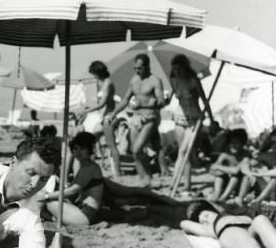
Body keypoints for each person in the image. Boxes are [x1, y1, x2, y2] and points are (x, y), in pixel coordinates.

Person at [42, 132, 178, 227]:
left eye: (82, 149)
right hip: (87, 211)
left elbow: (73, 190)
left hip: (85, 215)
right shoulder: (85, 167)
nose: (78, 153)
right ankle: (161, 201)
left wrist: (48, 195)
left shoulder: (89, 167)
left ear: (90, 150)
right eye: (76, 149)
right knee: (131, 197)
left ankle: (164, 200)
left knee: (44, 201)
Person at [108, 54, 165, 187]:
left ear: (147, 66)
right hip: (136, 118)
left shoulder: (155, 80)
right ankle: (145, 179)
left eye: (139, 68)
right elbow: (125, 100)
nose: (137, 71)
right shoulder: (134, 80)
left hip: (150, 118)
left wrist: (149, 104)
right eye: (135, 68)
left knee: (137, 148)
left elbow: (161, 102)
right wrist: (114, 113)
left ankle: (150, 176)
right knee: (136, 152)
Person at [180, 200, 276, 248]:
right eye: (201, 221)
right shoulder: (210, 228)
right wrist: (195, 218)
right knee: (243, 238)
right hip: (229, 231)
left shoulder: (232, 212)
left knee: (260, 220)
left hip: (250, 227)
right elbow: (183, 224)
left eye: (206, 215)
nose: (205, 220)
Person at [165, 54, 214, 192]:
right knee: (183, 152)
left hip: (194, 119)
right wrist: (164, 100)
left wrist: (211, 119)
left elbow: (204, 100)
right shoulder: (173, 80)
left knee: (183, 151)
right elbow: (169, 99)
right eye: (174, 68)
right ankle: (184, 183)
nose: (176, 71)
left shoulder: (193, 81)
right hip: (179, 117)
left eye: (178, 68)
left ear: (185, 67)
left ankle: (177, 182)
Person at [78, 61, 120, 178]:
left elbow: (102, 103)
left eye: (94, 73)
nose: (93, 75)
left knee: (111, 145)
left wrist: (86, 111)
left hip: (109, 116)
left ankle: (117, 172)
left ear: (98, 72)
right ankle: (90, 168)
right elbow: (98, 102)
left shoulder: (108, 83)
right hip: (101, 117)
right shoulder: (99, 82)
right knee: (90, 141)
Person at [210, 128, 250, 205]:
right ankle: (216, 195)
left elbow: (236, 170)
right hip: (226, 183)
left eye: (236, 143)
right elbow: (212, 169)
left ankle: (222, 198)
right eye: (231, 143)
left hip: (239, 184)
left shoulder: (245, 156)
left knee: (234, 177)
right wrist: (222, 170)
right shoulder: (225, 155)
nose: (233, 145)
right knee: (219, 176)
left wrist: (219, 167)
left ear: (242, 144)